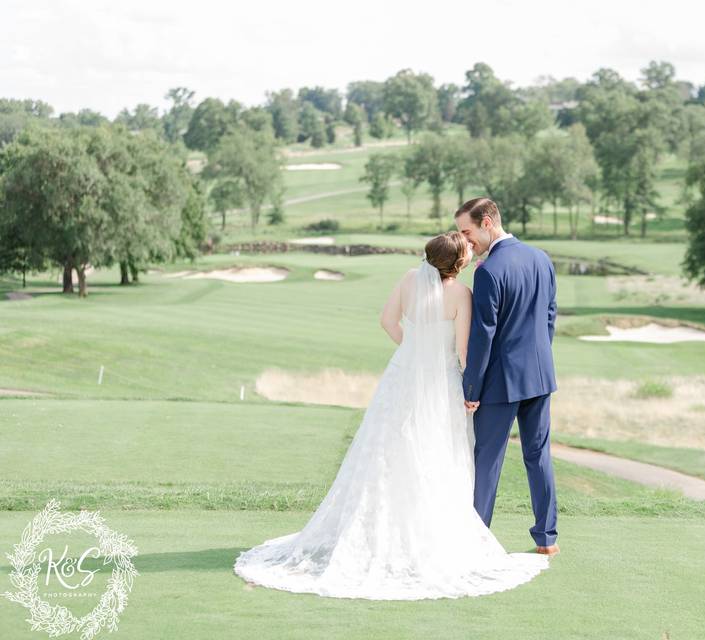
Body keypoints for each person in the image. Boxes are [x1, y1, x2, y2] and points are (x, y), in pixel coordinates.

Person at [233, 231, 549, 600]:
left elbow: (387, 321)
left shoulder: (408, 280)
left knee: (387, 449)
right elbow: (464, 352)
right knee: (438, 452)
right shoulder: (461, 294)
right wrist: (464, 383)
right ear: (459, 264)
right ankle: (431, 536)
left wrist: (415, 350)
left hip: (402, 374)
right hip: (440, 383)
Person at [454, 197, 560, 556]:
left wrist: (472, 386)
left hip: (501, 382)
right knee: (538, 454)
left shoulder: (487, 270)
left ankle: (475, 539)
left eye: (466, 232)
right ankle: (547, 539)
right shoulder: (541, 259)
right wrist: (539, 359)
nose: (465, 242)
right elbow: (549, 316)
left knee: (487, 459)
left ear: (487, 222)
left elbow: (484, 334)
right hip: (540, 375)